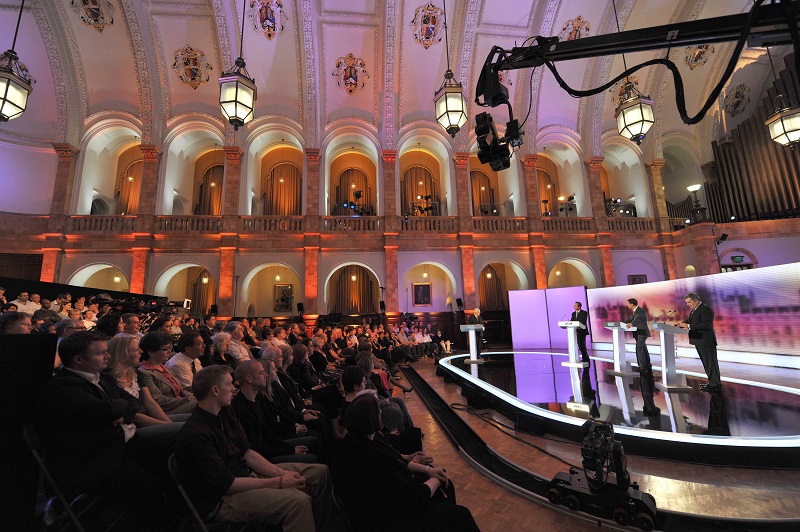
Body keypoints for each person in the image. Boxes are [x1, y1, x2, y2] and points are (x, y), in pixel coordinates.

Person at [174, 365, 343, 531]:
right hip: (222, 499)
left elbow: (247, 452)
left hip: (244, 475)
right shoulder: (196, 434)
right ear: (215, 390)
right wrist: (279, 482)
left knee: (319, 473)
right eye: (229, 384)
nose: (234, 388)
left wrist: (282, 475)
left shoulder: (225, 413)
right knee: (298, 501)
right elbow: (228, 485)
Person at [36, 331, 174, 529]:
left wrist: (115, 412)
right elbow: (106, 410)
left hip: (120, 444)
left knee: (175, 455)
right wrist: (115, 410)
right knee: (148, 486)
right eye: (101, 353)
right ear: (78, 359)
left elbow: (132, 403)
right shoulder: (63, 387)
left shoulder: (104, 379)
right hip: (93, 459)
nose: (108, 357)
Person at [333, 392, 480, 532]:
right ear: (370, 418)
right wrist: (435, 479)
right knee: (462, 515)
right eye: (378, 412)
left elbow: (396, 459)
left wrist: (429, 471)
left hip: (385, 502)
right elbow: (413, 498)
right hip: (386, 519)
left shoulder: (357, 439)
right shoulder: (371, 458)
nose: (381, 414)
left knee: (446, 487)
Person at [679, 292, 721, 393]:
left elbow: (706, 325)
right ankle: (712, 382)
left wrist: (688, 326)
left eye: (689, 302)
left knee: (710, 363)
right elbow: (691, 320)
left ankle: (715, 384)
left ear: (696, 301)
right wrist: (683, 323)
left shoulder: (706, 309)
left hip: (706, 341)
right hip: (699, 340)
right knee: (706, 363)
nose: (688, 304)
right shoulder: (695, 310)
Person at [623, 298, 659, 416]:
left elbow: (637, 320)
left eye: (628, 303)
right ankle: (647, 364)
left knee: (639, 348)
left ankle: (642, 367)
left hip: (642, 332)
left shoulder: (640, 311)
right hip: (638, 333)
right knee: (643, 348)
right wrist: (622, 324)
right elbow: (630, 319)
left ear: (632, 303)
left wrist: (630, 324)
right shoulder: (633, 312)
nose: (627, 305)